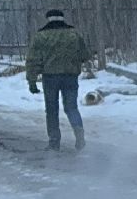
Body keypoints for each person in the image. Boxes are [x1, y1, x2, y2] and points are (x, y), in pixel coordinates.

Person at [25, 8, 91, 152]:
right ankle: (79, 135)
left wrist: (32, 80)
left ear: (48, 19)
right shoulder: (74, 34)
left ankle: (54, 142)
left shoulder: (40, 36)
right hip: (70, 76)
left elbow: (33, 60)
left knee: (52, 110)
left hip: (50, 78)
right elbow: (85, 55)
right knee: (71, 107)